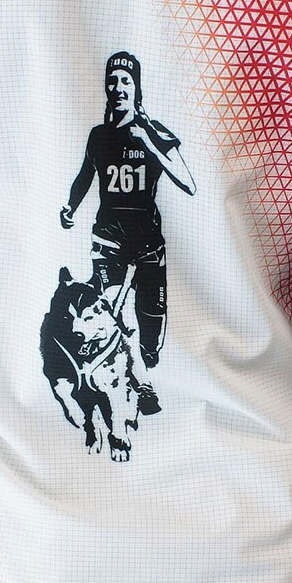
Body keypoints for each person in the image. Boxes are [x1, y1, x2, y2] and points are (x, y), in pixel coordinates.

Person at [61, 51, 196, 400]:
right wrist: (70, 207)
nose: (118, 87)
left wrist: (148, 142)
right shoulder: (98, 136)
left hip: (148, 242)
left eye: (126, 81)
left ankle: (146, 361)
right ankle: (134, 386)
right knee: (113, 312)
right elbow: (85, 177)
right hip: (109, 239)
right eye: (113, 81)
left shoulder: (155, 132)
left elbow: (188, 182)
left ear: (136, 88)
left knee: (152, 323)